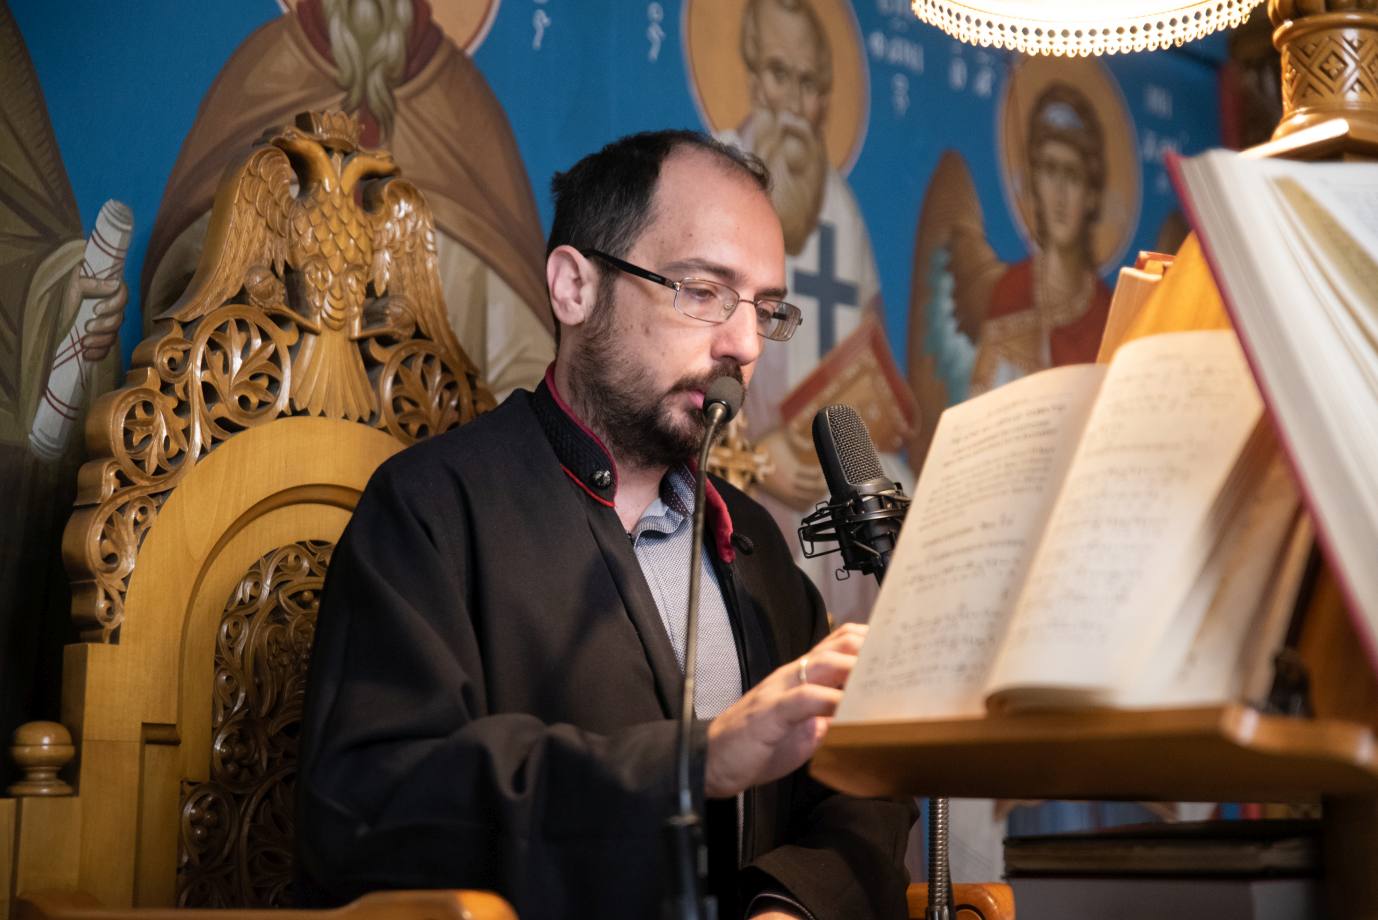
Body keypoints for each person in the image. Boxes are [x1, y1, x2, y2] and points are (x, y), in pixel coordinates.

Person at [295, 131, 912, 920]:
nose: (744, 345)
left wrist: (791, 906)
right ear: (574, 288)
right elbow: (367, 806)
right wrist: (694, 762)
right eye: (703, 291)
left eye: (765, 309)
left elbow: (856, 793)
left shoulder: (753, 540)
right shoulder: (433, 509)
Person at [142, 0, 553, 400]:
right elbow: (185, 291)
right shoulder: (266, 68)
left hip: (412, 416)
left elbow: (522, 354)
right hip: (260, 408)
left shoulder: (465, 102)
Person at [718, 0, 895, 624]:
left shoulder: (841, 207)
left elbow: (874, 363)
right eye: (778, 74)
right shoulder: (715, 181)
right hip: (742, 462)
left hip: (824, 465)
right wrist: (755, 454)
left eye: (809, 83)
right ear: (751, 77)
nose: (793, 102)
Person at [967, 81, 1112, 396]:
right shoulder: (1011, 292)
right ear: (1035, 183)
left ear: (1091, 194)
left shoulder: (1109, 313)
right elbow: (980, 408)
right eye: (1049, 170)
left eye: (1072, 175)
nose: (1059, 193)